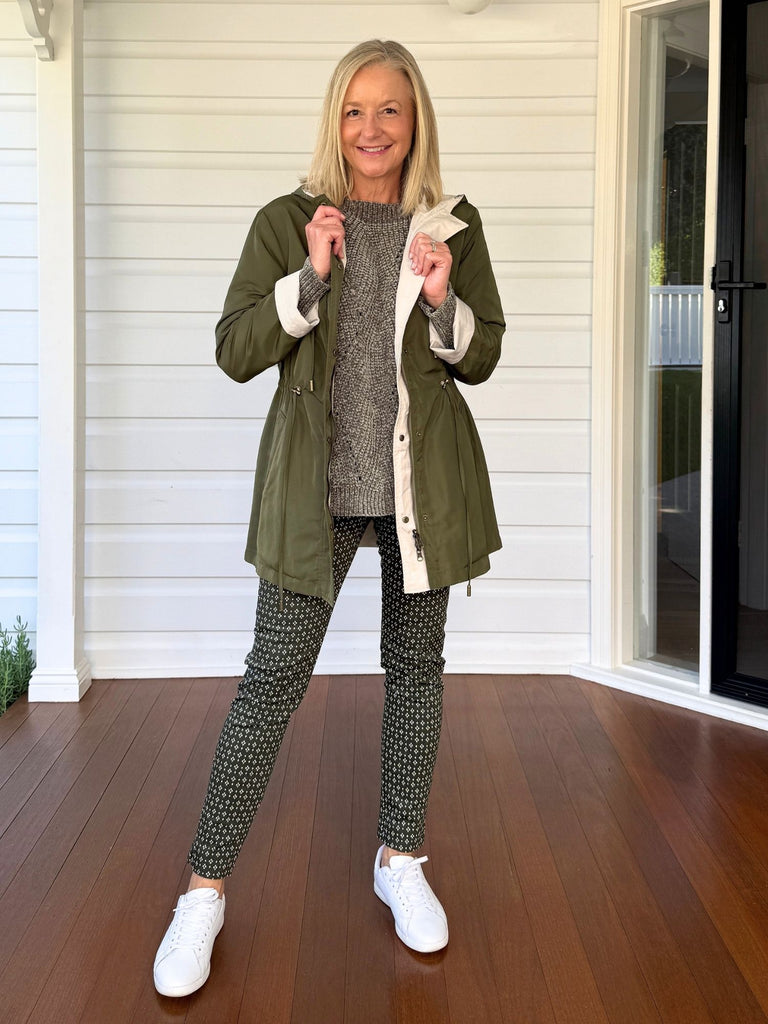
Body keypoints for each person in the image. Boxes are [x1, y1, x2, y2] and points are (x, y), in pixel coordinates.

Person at [153, 38, 504, 998]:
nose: (372, 128)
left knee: (417, 674)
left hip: (422, 491)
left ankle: (400, 857)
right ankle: (203, 893)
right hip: (318, 490)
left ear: (415, 120)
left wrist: (444, 298)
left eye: (390, 108)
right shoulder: (288, 220)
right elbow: (235, 350)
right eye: (355, 109)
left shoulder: (455, 226)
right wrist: (307, 278)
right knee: (272, 680)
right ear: (334, 121)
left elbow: (481, 358)